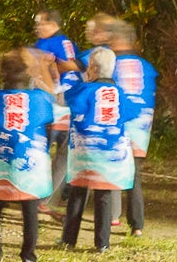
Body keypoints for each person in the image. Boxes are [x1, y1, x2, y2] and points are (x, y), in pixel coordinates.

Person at [0, 49, 54, 262]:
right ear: (26, 73)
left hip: (1, 163)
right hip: (30, 164)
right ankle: (28, 255)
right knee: (30, 210)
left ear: (2, 74)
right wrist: (41, 70)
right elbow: (52, 107)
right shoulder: (39, 98)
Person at [58, 47, 140, 253]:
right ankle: (102, 244)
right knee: (103, 196)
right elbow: (132, 113)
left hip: (85, 152)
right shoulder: (121, 93)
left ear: (93, 68)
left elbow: (63, 100)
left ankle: (69, 240)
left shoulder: (83, 90)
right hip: (111, 154)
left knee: (78, 191)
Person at [107, 21, 157, 237]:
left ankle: (110, 218)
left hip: (117, 124)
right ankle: (137, 225)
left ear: (118, 40)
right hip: (141, 127)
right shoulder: (147, 67)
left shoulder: (112, 64)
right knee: (134, 176)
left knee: (111, 171)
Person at [32, 9, 80, 218]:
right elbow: (74, 65)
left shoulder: (46, 44)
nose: (37, 28)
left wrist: (48, 68)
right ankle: (44, 198)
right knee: (63, 154)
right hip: (70, 103)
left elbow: (65, 66)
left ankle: (34, 195)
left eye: (40, 23)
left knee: (40, 149)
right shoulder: (68, 42)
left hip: (52, 103)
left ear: (53, 24)